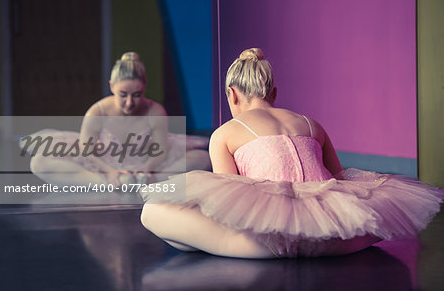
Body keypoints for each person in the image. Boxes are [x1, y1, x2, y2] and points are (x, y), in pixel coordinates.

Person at [140, 48, 443, 258]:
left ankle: (219, 247)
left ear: (231, 95)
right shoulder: (311, 124)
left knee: (152, 212)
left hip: (273, 244)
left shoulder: (225, 133)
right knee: (375, 214)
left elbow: (225, 202)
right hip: (334, 237)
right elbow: (339, 177)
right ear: (274, 93)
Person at [21, 52, 211, 193]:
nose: (130, 103)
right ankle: (107, 185)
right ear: (111, 87)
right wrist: (110, 172)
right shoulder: (98, 111)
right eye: (123, 95)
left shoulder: (155, 111)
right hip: (104, 163)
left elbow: (161, 149)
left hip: (146, 164)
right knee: (39, 162)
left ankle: (151, 182)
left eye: (137, 95)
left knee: (203, 158)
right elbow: (87, 151)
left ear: (144, 88)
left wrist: (147, 168)